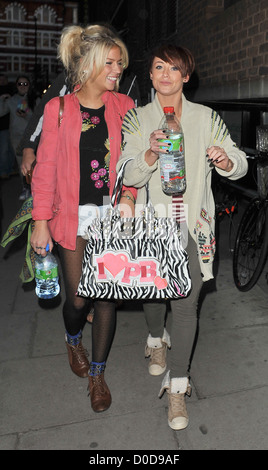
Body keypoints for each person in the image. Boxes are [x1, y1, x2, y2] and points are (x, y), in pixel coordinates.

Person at [117, 44, 248, 430]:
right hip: (151, 226)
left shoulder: (206, 117)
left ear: (186, 76)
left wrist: (226, 161)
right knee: (154, 298)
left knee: (186, 305)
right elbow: (127, 173)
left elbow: (238, 162)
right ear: (151, 73)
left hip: (192, 227)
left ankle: (178, 387)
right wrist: (150, 155)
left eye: (174, 68)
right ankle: (156, 338)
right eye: (158, 67)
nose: (165, 74)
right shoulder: (137, 120)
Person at [30, 24, 135, 413]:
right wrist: (40, 220)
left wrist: (130, 194)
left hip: (111, 218)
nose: (116, 69)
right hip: (70, 218)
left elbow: (133, 164)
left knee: (105, 297)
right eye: (109, 62)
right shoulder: (58, 109)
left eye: (119, 63)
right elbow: (45, 170)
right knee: (77, 297)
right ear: (88, 63)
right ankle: (72, 339)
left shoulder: (124, 107)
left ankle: (98, 373)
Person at [0, 75, 37, 199]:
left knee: (33, 164)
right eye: (20, 84)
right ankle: (26, 187)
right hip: (16, 137)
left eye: (25, 84)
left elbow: (40, 120)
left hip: (32, 138)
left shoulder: (35, 99)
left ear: (29, 86)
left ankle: (34, 188)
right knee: (22, 163)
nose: (22, 87)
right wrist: (2, 99)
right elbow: (1, 112)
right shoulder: (12, 100)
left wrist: (25, 116)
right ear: (16, 86)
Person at [0, 74, 15, 179]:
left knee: (11, 150)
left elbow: (20, 107)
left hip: (13, 126)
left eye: (4, 79)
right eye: (1, 79)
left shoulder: (12, 92)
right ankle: (4, 171)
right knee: (4, 150)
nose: (3, 81)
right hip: (2, 127)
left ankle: (9, 169)